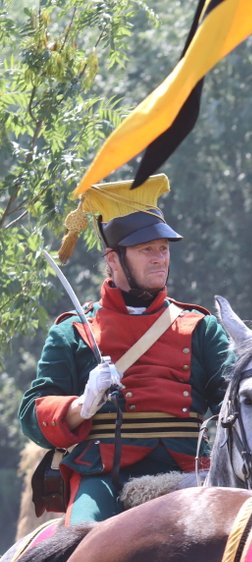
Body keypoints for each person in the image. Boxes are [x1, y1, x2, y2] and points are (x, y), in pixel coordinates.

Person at [20, 174, 232, 525]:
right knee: (77, 542)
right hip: (103, 474)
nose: (159, 258)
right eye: (146, 249)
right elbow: (32, 415)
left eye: (163, 248)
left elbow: (235, 399)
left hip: (190, 469)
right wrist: (80, 405)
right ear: (113, 259)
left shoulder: (200, 327)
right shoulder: (73, 330)